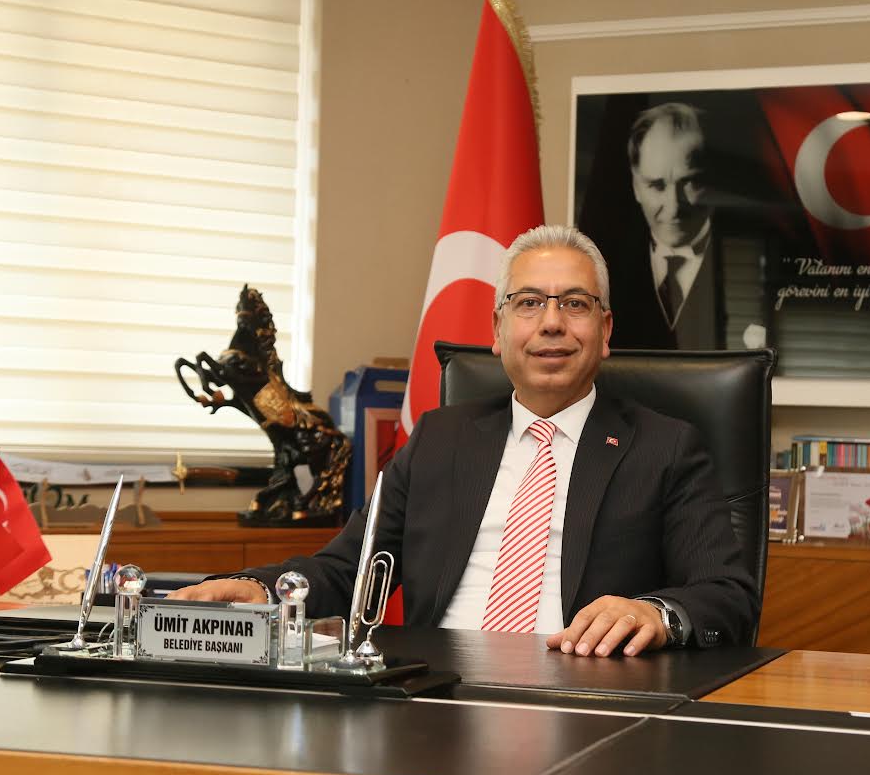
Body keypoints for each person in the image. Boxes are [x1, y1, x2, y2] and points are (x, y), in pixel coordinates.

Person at [172, 225, 757, 656]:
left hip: (583, 696)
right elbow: (349, 569)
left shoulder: (665, 448)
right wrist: (260, 589)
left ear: (604, 332)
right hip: (433, 694)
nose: (552, 322)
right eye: (529, 303)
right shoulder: (440, 438)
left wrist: (655, 613)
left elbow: (727, 596)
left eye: (575, 304)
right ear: (498, 330)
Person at [613, 102, 720, 350]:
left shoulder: (740, 266)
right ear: (636, 186)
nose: (673, 206)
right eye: (656, 185)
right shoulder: (609, 269)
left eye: (690, 182)